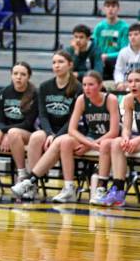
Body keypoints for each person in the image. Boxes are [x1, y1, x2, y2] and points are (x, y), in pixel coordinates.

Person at [12, 71, 118, 202]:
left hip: (108, 140)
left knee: (62, 141)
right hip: (90, 139)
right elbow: (72, 130)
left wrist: (89, 145)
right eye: (84, 85)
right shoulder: (81, 99)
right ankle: (68, 188)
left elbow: (113, 132)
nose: (86, 88)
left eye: (91, 85)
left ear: (100, 85)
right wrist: (88, 144)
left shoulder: (110, 99)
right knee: (64, 141)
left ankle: (30, 180)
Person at [0, 62, 38, 195]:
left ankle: (22, 176)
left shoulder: (34, 94)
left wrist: (6, 132)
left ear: (28, 77)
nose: (18, 77)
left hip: (27, 134)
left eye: (23, 74)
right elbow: (1, 120)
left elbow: (28, 123)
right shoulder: (4, 93)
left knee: (14, 132)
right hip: (8, 131)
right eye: (15, 74)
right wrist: (2, 132)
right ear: (11, 75)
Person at [27, 51, 83, 173]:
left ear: (70, 65)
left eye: (61, 62)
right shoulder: (44, 86)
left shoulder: (78, 88)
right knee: (35, 137)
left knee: (60, 141)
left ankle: (32, 179)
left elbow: (73, 120)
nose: (56, 65)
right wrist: (49, 134)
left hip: (69, 131)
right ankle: (32, 184)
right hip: (50, 130)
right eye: (54, 62)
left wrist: (56, 137)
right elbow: (43, 114)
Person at [92, 69, 140, 207]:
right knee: (113, 142)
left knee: (118, 143)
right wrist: (126, 138)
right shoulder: (129, 99)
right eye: (130, 81)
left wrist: (136, 140)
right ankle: (111, 189)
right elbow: (126, 127)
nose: (133, 84)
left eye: (137, 81)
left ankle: (117, 191)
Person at [93, 0, 130, 80]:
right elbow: (94, 45)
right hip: (100, 60)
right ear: (104, 9)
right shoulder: (99, 27)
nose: (110, 9)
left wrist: (107, 56)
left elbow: (124, 50)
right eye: (108, 6)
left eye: (113, 6)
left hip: (117, 61)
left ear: (118, 9)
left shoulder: (124, 28)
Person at [114, 24, 140, 92]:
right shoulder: (123, 52)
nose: (132, 37)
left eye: (136, 34)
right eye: (130, 35)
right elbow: (118, 70)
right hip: (126, 86)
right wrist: (119, 82)